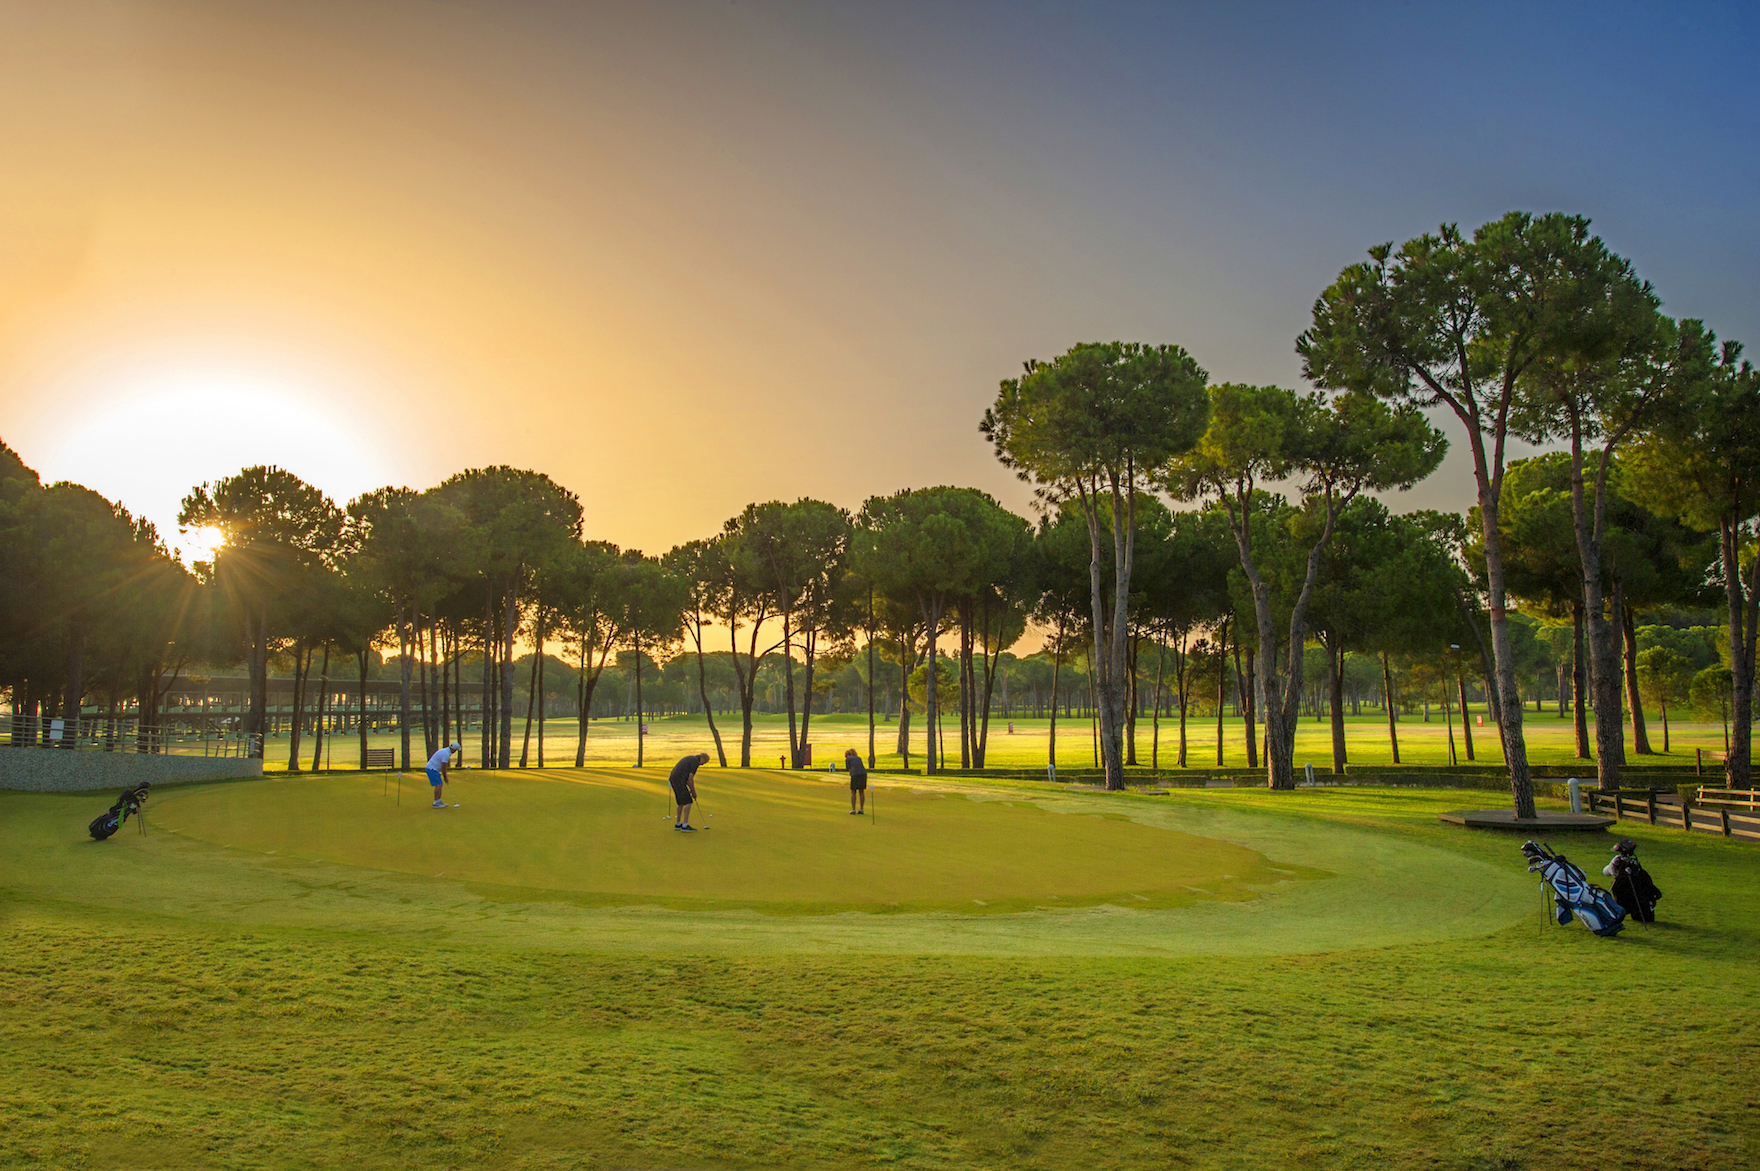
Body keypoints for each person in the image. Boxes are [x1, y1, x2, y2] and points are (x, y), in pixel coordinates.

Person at [1603, 838, 1661, 923]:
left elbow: (1606, 872)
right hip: (1633, 892)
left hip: (1628, 892)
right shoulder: (1628, 862)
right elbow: (1606, 872)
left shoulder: (1623, 862)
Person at [669, 752, 710, 831]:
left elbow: (687, 780)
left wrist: (691, 789)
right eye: (704, 762)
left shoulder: (691, 759)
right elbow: (690, 779)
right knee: (688, 801)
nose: (702, 764)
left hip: (674, 779)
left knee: (681, 802)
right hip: (678, 780)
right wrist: (693, 792)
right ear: (702, 759)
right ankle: (685, 825)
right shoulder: (695, 762)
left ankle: (678, 824)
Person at [427, 742, 460, 808]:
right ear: (453, 750)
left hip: (433, 768)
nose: (455, 752)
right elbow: (443, 767)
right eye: (456, 750)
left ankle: (438, 801)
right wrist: (445, 777)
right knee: (438, 785)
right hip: (432, 769)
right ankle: (435, 802)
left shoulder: (445, 751)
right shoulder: (446, 754)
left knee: (439, 784)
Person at [844, 748, 868, 814]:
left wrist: (851, 775)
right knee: (861, 791)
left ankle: (853, 809)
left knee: (853, 791)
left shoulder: (847, 759)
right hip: (863, 774)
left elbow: (849, 769)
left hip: (855, 774)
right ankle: (861, 809)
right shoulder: (858, 758)